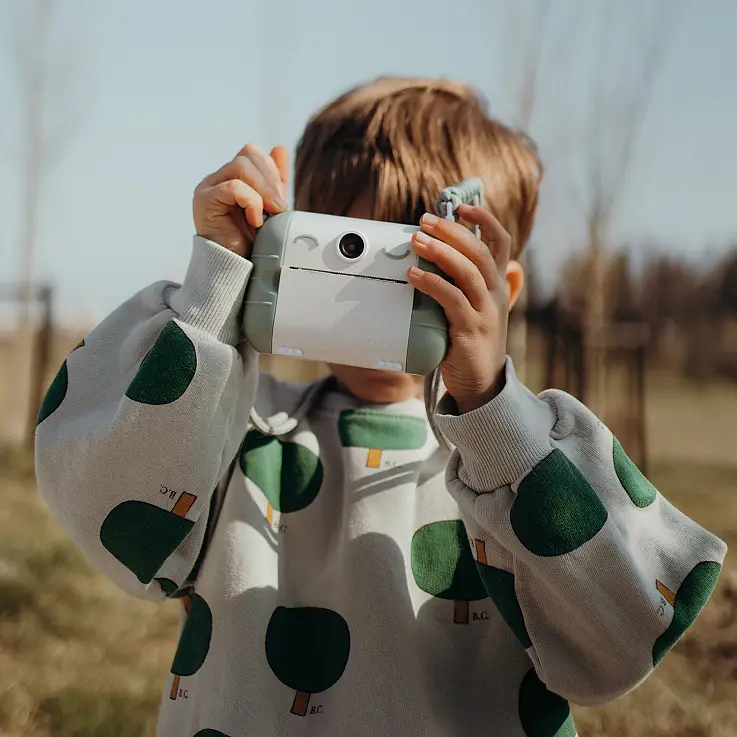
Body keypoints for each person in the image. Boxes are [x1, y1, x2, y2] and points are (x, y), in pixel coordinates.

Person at [35, 77, 726, 737]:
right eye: (341, 245)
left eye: (412, 257)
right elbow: (112, 515)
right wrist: (212, 293)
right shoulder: (230, 422)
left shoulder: (528, 459)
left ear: (499, 288)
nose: (365, 284)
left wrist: (490, 407)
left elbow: (624, 637)